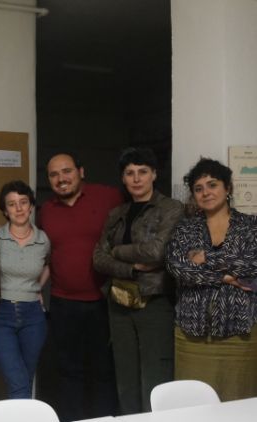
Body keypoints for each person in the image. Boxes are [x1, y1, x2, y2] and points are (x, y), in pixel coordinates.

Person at [93, 148, 183, 414]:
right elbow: (98, 258)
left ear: (154, 174)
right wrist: (132, 267)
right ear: (123, 178)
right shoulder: (116, 213)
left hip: (154, 301)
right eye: (129, 173)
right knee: (126, 381)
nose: (136, 178)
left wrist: (117, 252)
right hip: (119, 302)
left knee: (154, 379)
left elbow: (157, 252)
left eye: (142, 172)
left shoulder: (170, 208)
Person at [38, 152, 122, 421]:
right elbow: (43, 256)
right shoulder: (46, 210)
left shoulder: (109, 197)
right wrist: (35, 289)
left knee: (103, 370)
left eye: (67, 171)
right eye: (54, 174)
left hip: (103, 301)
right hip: (63, 303)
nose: (61, 179)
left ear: (81, 171)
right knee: (68, 371)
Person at [165, 158, 257, 400]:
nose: (205, 192)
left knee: (238, 404)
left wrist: (206, 257)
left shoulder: (250, 227)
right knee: (193, 404)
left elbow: (251, 265)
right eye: (198, 188)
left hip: (239, 335)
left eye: (212, 185)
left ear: (228, 188)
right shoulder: (185, 230)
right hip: (192, 336)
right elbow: (178, 268)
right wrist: (225, 277)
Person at [0, 180, 50, 399]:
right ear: (5, 210)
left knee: (26, 379)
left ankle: (20, 414)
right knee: (18, 382)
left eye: (23, 202)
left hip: (33, 316)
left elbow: (48, 265)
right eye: (12, 204)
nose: (19, 208)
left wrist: (37, 288)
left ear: (31, 206)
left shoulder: (43, 240)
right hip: (1, 315)